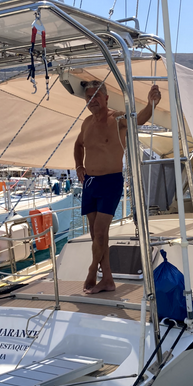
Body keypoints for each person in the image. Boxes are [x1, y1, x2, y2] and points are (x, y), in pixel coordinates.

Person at [74, 79, 161, 293]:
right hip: (90, 182)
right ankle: (108, 280)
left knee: (100, 233)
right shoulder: (86, 122)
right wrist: (79, 166)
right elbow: (78, 144)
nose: (92, 100)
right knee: (96, 235)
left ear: (105, 97)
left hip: (110, 181)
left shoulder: (118, 118)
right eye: (88, 97)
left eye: (96, 96)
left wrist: (151, 104)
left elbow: (139, 119)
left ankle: (93, 270)